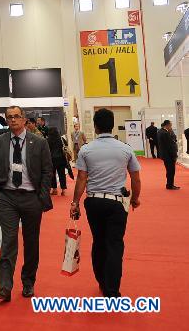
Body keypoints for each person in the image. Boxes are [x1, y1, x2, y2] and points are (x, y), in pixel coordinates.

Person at [70, 108, 141, 297]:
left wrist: (75, 202)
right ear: (111, 124)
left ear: (95, 126)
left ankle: (101, 280)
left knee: (99, 241)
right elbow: (135, 178)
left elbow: (81, 179)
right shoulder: (125, 149)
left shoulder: (86, 149)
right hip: (117, 203)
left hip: (93, 202)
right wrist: (135, 198)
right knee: (115, 244)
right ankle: (112, 289)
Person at [0, 105, 53, 301]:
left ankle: (28, 282)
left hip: (31, 198)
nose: (13, 120)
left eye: (17, 116)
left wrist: (40, 196)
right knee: (8, 241)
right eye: (10, 117)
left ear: (24, 119)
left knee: (31, 242)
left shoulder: (39, 142)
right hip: (7, 197)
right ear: (6, 120)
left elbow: (47, 171)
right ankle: (5, 287)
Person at [46, 127, 68, 195]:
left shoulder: (47, 140)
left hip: (51, 159)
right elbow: (66, 145)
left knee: (52, 175)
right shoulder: (61, 138)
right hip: (61, 159)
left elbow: (46, 150)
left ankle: (54, 190)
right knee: (62, 174)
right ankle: (63, 190)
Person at [157, 120, 180, 189]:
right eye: (170, 125)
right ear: (167, 125)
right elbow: (170, 145)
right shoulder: (165, 133)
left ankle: (169, 184)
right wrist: (174, 155)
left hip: (165, 155)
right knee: (171, 171)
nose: (171, 127)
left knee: (169, 171)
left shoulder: (160, 131)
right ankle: (170, 185)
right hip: (169, 155)